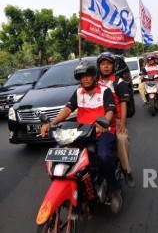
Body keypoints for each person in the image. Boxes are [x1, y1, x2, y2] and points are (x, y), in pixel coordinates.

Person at [39, 60, 123, 213]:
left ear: (94, 76)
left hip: (102, 132)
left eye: (88, 75)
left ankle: (113, 188)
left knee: (103, 156)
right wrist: (51, 123)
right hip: (82, 134)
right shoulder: (78, 92)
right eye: (81, 76)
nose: (85, 79)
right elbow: (67, 109)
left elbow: (110, 110)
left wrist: (103, 122)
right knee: (65, 157)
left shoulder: (105, 91)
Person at [97, 52, 135, 188]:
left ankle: (126, 170)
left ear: (113, 66)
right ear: (99, 66)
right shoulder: (94, 82)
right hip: (97, 121)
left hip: (116, 120)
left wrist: (122, 123)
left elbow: (123, 104)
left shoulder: (118, 82)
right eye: (102, 64)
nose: (105, 67)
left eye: (108, 64)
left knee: (122, 139)